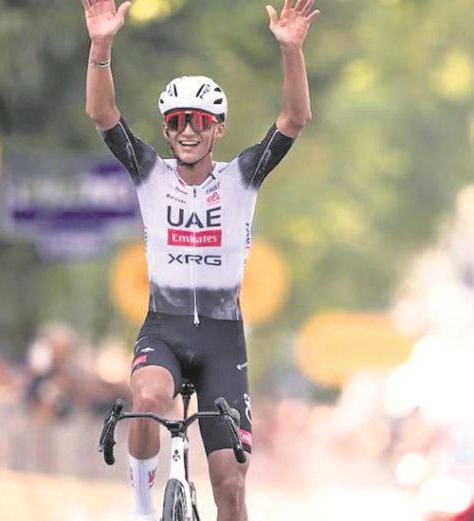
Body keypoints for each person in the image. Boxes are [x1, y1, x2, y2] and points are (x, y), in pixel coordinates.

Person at [78, 0, 319, 519]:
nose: (189, 130)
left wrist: (292, 52)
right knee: (146, 401)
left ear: (218, 128)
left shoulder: (242, 177)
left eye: (200, 122)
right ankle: (144, 509)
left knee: (230, 486)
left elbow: (295, 119)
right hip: (162, 328)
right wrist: (101, 45)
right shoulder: (149, 172)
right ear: (167, 129)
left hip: (222, 338)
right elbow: (103, 114)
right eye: (178, 121)